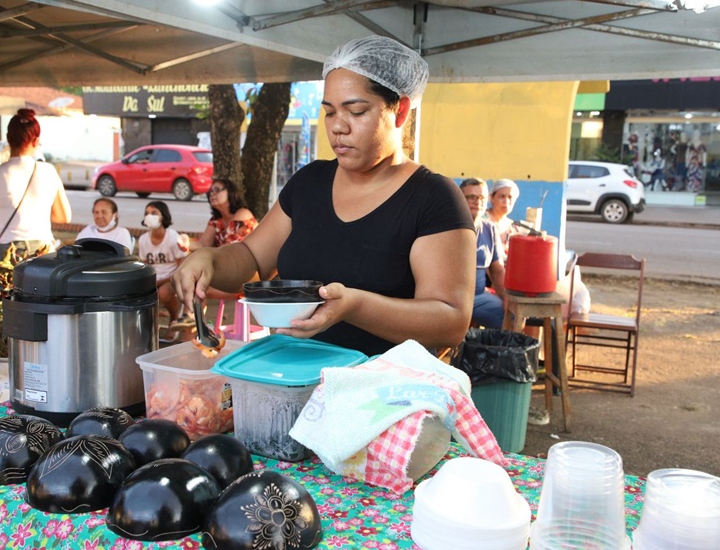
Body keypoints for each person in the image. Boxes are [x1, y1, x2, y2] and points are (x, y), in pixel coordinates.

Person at [173, 35, 476, 356]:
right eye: (329, 112)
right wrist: (209, 259)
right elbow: (251, 258)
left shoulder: (433, 198)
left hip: (386, 396)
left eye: (356, 111)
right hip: (295, 378)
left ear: (400, 111)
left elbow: (451, 322)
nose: (338, 127)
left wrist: (355, 306)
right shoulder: (310, 182)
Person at [0, 109, 71, 261]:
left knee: (9, 286)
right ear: (36, 141)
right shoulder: (48, 171)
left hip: (5, 256)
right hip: (42, 252)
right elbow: (63, 217)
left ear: (8, 139)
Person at [460, 178, 506, 329]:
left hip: (479, 297)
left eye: (481, 198)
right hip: (451, 298)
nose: (477, 202)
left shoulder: (489, 229)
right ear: (460, 199)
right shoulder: (447, 227)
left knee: (510, 315)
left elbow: (498, 270)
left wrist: (507, 299)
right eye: (471, 197)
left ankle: (498, 353)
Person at [137, 201, 190, 329]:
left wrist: (163, 281)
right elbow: (144, 265)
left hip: (172, 278)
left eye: (154, 213)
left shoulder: (172, 237)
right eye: (147, 213)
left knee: (164, 293)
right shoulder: (143, 240)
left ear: (163, 216)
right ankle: (147, 327)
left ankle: (174, 318)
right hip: (154, 279)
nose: (149, 216)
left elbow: (182, 265)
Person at [195, 179, 258, 249]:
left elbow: (228, 248)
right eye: (211, 192)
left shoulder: (243, 214)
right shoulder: (216, 220)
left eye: (217, 190)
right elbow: (203, 244)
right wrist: (183, 242)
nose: (212, 194)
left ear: (230, 193)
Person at [484, 178, 520, 250]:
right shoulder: (483, 220)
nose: (506, 201)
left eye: (510, 197)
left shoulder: (514, 227)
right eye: (502, 196)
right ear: (491, 198)